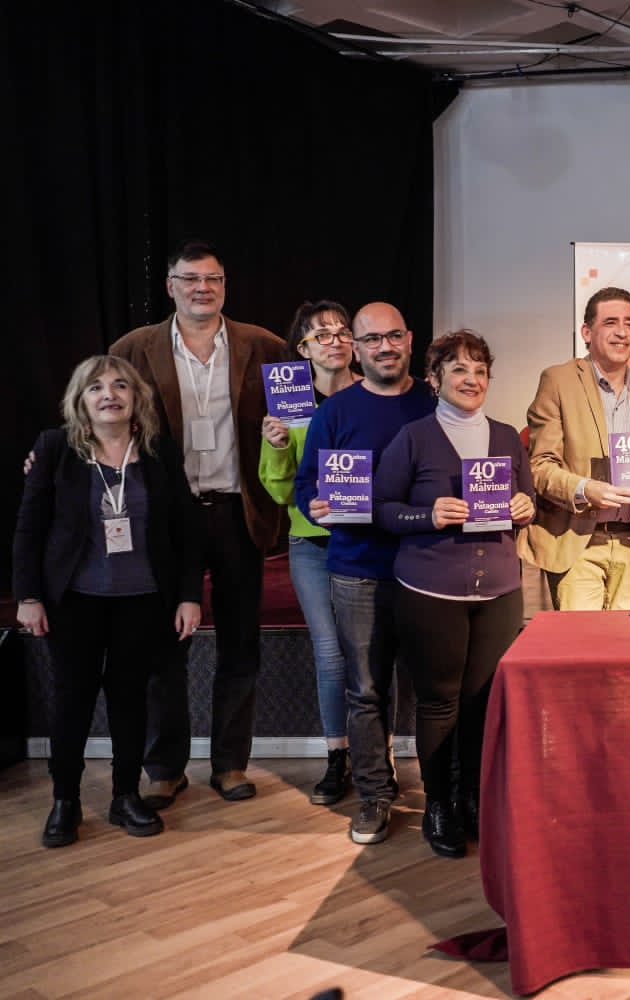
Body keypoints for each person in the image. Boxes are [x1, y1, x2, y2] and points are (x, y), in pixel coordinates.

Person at [110, 239, 286, 806]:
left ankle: (231, 764)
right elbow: (100, 415)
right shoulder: (132, 349)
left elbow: (303, 418)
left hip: (238, 512)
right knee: (165, 649)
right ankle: (165, 767)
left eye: (211, 278)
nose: (201, 288)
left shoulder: (267, 347)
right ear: (170, 286)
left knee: (240, 646)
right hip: (166, 519)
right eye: (190, 279)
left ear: (224, 285)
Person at [14, 356, 203, 847]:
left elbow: (185, 531)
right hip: (74, 600)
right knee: (71, 701)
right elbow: (29, 529)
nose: (109, 395)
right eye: (95, 387)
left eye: (120, 386)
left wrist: (189, 596)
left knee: (130, 700)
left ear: (136, 398)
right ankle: (65, 801)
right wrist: (28, 595)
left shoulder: (158, 451)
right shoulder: (55, 448)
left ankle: (125, 795)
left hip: (142, 600)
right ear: (80, 400)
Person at [375, 330, 535, 858]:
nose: (472, 379)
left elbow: (528, 496)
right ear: (434, 379)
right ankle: (439, 803)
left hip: (499, 591)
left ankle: (474, 799)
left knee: (482, 701)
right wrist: (428, 515)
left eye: (480, 370)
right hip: (431, 590)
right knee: (440, 702)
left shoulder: (507, 436)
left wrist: (525, 507)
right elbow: (384, 509)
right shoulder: (414, 437)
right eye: (459, 369)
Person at [295, 301, 435, 846]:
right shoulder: (334, 412)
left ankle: (441, 797)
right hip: (357, 569)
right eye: (372, 339)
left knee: (434, 691)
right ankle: (375, 795)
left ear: (410, 339)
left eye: (393, 336)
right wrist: (315, 506)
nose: (384, 347)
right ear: (356, 347)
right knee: (366, 691)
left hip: (427, 567)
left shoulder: (435, 401)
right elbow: (307, 485)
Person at [519, 287, 630, 610]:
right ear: (586, 332)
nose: (622, 332)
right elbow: (540, 466)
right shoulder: (558, 381)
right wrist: (584, 489)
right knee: (583, 642)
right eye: (610, 323)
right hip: (578, 542)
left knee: (625, 642)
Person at [258, 301, 359, 805]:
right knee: (329, 652)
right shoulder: (289, 406)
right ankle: (337, 755)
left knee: (372, 651)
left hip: (368, 541)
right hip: (312, 544)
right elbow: (279, 492)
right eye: (322, 335)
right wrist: (277, 446)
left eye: (343, 332)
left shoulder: (373, 393)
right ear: (302, 348)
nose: (335, 341)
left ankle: (377, 753)